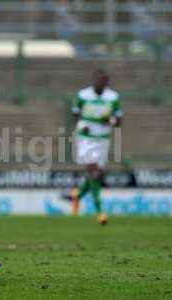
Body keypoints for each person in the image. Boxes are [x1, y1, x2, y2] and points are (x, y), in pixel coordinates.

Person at [66, 69, 122, 225]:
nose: (101, 83)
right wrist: (82, 124)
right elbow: (76, 113)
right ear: (94, 81)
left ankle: (77, 194)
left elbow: (119, 120)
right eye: (98, 80)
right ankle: (100, 212)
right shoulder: (83, 95)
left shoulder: (113, 97)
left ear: (107, 83)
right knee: (92, 169)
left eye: (104, 81)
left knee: (97, 173)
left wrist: (109, 121)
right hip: (86, 138)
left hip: (103, 139)